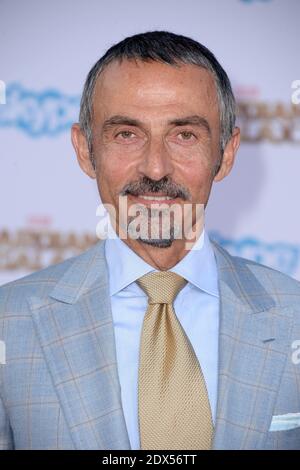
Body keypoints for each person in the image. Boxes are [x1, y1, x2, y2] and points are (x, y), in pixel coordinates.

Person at [1, 31, 300, 451]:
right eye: (126, 134)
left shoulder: (295, 316)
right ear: (85, 151)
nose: (156, 168)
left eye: (184, 135)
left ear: (226, 153)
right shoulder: (7, 323)